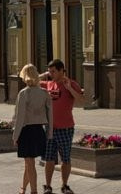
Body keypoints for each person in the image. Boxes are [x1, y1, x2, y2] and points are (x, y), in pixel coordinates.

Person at [40, 59, 83, 194]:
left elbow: (81, 100)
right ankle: (48, 186)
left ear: (61, 70)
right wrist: (43, 74)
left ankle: (65, 185)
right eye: (50, 71)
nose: (51, 74)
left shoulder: (71, 84)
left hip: (65, 128)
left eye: (53, 71)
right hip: (50, 128)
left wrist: (69, 88)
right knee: (49, 158)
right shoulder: (48, 84)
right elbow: (28, 80)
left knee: (65, 158)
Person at [13, 64, 53, 194]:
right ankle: (23, 189)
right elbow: (50, 115)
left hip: (26, 132)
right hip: (39, 131)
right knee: (28, 164)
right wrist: (50, 133)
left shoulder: (24, 93)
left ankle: (34, 192)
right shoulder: (44, 93)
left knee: (30, 164)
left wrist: (15, 136)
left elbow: (20, 117)